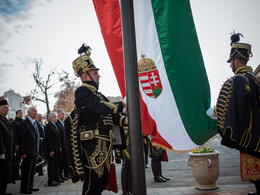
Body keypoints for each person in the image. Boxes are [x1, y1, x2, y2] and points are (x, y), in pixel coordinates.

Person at [64, 44, 128, 195]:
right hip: (92, 147)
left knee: (100, 185)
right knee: (92, 186)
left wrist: (126, 121)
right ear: (86, 76)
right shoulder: (82, 92)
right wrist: (123, 103)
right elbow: (100, 107)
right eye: (95, 73)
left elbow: (113, 117)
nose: (99, 75)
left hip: (105, 147)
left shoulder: (99, 95)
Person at [207, 32, 260, 195]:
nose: (230, 65)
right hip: (257, 132)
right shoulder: (254, 79)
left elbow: (234, 105)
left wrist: (216, 112)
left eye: (231, 62)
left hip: (249, 135)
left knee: (256, 169)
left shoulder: (239, 80)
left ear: (236, 60)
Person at [18, 106, 40, 194]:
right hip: (27, 152)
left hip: (34, 151)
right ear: (29, 112)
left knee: (32, 171)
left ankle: (30, 186)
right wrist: (22, 152)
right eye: (34, 111)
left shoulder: (35, 123)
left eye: (36, 111)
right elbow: (21, 139)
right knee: (26, 171)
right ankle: (24, 188)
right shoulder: (24, 123)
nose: (36, 113)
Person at [0, 99, 14, 195]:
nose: (7, 110)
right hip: (3, 153)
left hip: (9, 151)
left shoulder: (5, 120)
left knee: (6, 174)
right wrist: (1, 152)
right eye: (5, 108)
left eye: (8, 108)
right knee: (2, 174)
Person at [44, 112, 62, 187]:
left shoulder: (55, 126)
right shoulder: (48, 126)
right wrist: (50, 150)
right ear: (50, 118)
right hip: (52, 149)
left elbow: (58, 137)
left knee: (56, 165)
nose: (56, 118)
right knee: (51, 165)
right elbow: (48, 139)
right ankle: (50, 180)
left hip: (57, 149)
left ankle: (55, 178)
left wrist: (60, 147)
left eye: (56, 117)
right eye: (54, 117)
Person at [56, 109, 69, 181]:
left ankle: (62, 175)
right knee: (60, 163)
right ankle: (59, 175)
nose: (63, 115)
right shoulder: (57, 123)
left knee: (64, 162)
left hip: (64, 146)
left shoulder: (62, 123)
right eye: (62, 114)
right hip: (60, 146)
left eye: (64, 114)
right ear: (58, 114)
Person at [11, 109, 23, 180]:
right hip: (17, 144)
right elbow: (14, 135)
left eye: (21, 113)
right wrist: (16, 144)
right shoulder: (14, 123)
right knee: (17, 160)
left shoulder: (22, 122)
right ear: (16, 114)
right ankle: (16, 174)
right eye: (19, 113)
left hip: (22, 144)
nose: (21, 114)